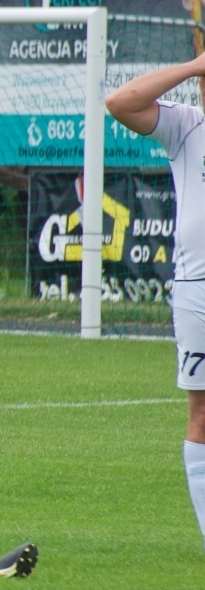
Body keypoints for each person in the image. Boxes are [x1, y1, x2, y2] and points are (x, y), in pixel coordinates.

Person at [106, 51, 205, 552]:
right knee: (201, 413)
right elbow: (120, 102)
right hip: (196, 291)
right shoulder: (187, 125)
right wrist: (193, 66)